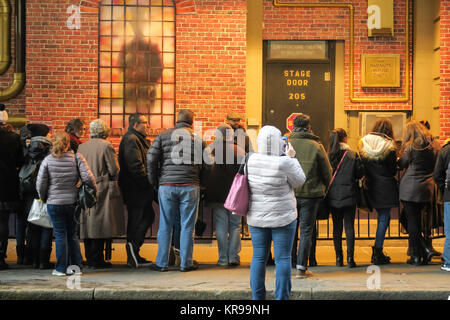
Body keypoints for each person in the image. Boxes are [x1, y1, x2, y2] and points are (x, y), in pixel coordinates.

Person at [246, 125, 305, 300]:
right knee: (283, 259)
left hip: (256, 217)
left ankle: (258, 299)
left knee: (258, 257)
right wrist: (292, 157)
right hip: (284, 218)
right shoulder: (285, 162)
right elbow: (300, 180)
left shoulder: (250, 160)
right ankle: (282, 297)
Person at [147, 109, 209, 272]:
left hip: (166, 185)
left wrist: (154, 181)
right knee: (188, 225)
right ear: (192, 121)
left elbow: (151, 158)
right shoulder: (198, 139)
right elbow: (209, 164)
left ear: (176, 120)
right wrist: (202, 182)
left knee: (165, 224)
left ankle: (162, 263)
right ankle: (185, 263)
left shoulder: (163, 135)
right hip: (190, 185)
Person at [36, 132, 96, 276]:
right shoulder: (77, 158)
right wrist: (93, 190)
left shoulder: (48, 160)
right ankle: (76, 268)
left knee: (60, 235)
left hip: (54, 203)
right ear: (68, 144)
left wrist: (43, 197)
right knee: (72, 235)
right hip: (72, 202)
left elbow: (40, 183)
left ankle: (61, 268)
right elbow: (88, 177)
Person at [78, 119, 126, 269]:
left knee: (87, 223)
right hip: (102, 188)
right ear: (105, 131)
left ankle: (89, 257)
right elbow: (114, 169)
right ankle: (97, 259)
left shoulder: (81, 146)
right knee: (100, 224)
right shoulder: (106, 146)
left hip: (85, 188)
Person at [289, 113, 332, 278]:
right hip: (311, 194)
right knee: (307, 231)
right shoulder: (316, 145)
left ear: (293, 126)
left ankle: (290, 262)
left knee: (290, 229)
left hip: (290, 193)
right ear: (308, 127)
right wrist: (326, 187)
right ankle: (301, 268)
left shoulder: (286, 144)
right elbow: (327, 172)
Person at [398, 121, 440, 265]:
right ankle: (423, 251)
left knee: (410, 221)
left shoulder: (410, 146)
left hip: (410, 188)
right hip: (427, 188)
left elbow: (402, 164)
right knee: (412, 220)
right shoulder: (434, 145)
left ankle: (417, 255)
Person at [359, 118, 398, 265]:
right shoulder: (389, 146)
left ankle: (376, 251)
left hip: (370, 185)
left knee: (379, 218)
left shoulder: (363, 143)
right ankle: (377, 251)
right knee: (384, 218)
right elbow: (393, 169)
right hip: (385, 186)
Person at [205, 124, 246, 267]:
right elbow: (244, 173)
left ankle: (222, 258)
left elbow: (205, 170)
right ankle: (233, 257)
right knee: (235, 225)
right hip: (235, 193)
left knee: (221, 224)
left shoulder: (210, 150)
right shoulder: (239, 151)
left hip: (216, 193)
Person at [118, 113, 154, 268]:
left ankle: (134, 251)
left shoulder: (135, 139)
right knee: (139, 218)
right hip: (136, 189)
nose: (148, 125)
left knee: (145, 216)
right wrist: (147, 183)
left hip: (138, 188)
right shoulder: (132, 140)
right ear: (136, 124)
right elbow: (136, 166)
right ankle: (132, 249)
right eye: (145, 122)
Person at [327, 128, 363, 268]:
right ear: (345, 139)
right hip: (350, 194)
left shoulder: (329, 155)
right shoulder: (353, 155)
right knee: (349, 227)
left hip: (333, 196)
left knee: (337, 228)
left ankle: (338, 258)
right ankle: (350, 258)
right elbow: (360, 173)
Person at [19, 124, 54, 269]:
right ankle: (43, 261)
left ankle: (32, 260)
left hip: (28, 195)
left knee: (32, 227)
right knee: (46, 226)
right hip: (45, 194)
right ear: (46, 134)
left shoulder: (27, 150)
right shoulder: (48, 150)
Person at [0, 104, 24, 270]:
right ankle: (1, 256)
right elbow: (19, 162)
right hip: (6, 184)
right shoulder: (13, 138)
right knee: (3, 221)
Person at [433, 137, 450, 272]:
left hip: (449, 194)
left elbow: (437, 175)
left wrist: (443, 188)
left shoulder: (444, 151)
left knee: (449, 230)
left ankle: (448, 261)